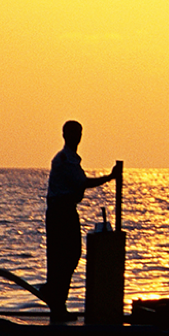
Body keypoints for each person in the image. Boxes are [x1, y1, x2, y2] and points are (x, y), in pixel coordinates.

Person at [45, 120, 117, 321]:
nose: (78, 137)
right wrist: (109, 178)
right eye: (75, 133)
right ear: (66, 135)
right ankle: (56, 302)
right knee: (65, 257)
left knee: (68, 257)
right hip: (61, 212)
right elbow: (83, 183)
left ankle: (58, 302)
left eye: (79, 133)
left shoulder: (71, 159)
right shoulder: (64, 160)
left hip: (66, 210)